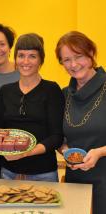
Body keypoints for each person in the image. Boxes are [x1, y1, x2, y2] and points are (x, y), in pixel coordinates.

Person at [0, 33, 65, 181]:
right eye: (21, 55)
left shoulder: (51, 90)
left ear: (41, 60)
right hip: (8, 173)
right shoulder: (4, 91)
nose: (25, 61)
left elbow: (56, 137)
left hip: (43, 174)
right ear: (15, 59)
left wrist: (26, 152)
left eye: (32, 56)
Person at [55, 31, 106, 214]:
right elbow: (58, 136)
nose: (74, 65)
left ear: (91, 53)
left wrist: (100, 152)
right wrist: (65, 150)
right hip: (75, 181)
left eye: (79, 56)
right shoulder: (64, 94)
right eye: (66, 60)